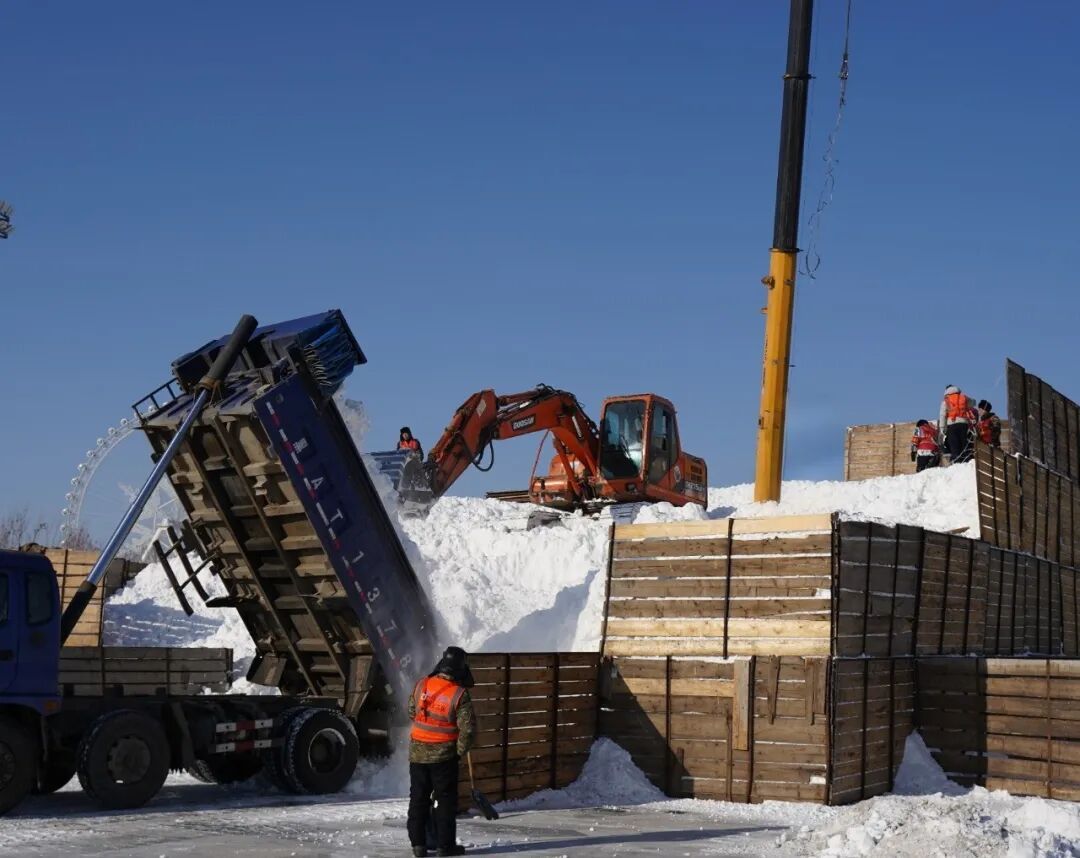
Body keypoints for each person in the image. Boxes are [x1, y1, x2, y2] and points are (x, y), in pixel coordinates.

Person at [407, 646, 476, 857]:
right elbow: (468, 729)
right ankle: (445, 847)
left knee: (418, 798)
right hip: (444, 758)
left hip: (417, 755)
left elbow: (412, 712)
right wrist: (460, 751)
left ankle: (418, 845)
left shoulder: (422, 685)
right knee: (445, 801)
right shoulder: (459, 694)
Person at [938, 385, 977, 464]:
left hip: (952, 425)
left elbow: (942, 415)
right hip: (963, 424)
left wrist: (942, 428)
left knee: (954, 444)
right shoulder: (964, 397)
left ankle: (956, 462)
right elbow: (973, 403)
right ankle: (966, 462)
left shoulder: (946, 400)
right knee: (963, 443)